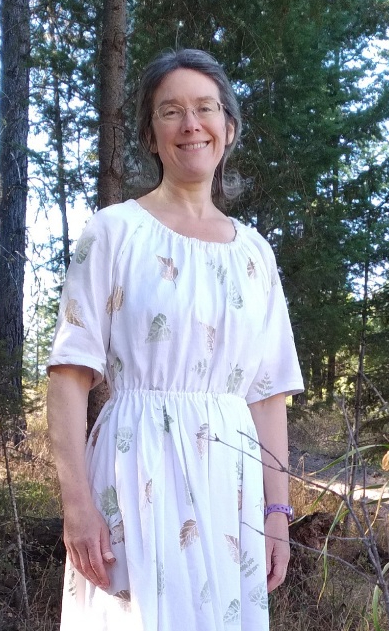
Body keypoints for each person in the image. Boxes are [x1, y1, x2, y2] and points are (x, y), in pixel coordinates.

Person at [46, 48, 304, 631]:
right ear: (151, 134)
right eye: (171, 111)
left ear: (228, 127)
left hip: (230, 486)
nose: (191, 124)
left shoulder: (255, 253)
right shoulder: (114, 232)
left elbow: (267, 395)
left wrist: (278, 515)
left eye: (205, 108)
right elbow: (68, 377)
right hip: (135, 468)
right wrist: (78, 507)